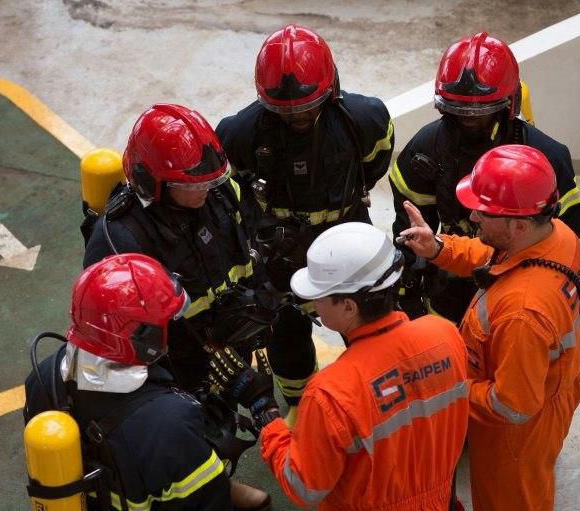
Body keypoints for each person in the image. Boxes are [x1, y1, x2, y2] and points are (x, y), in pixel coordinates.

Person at [81, 105, 273, 509]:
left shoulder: (220, 193)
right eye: (192, 184)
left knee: (221, 412)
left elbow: (248, 247)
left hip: (222, 338)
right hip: (165, 356)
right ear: (154, 183)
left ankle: (219, 478)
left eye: (210, 179)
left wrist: (258, 303)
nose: (206, 189)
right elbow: (124, 325)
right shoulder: (119, 237)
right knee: (188, 427)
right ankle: (211, 488)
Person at [210, 222, 469, 510]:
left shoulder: (331, 393)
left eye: (319, 294)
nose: (313, 302)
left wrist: (267, 414)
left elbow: (303, 485)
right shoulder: (444, 334)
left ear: (349, 306)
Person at [399, 145, 580, 510]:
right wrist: (439, 247)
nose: (472, 216)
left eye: (483, 212)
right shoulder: (554, 235)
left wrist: (448, 387)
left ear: (517, 224)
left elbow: (513, 404)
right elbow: (495, 256)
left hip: (514, 439)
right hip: (554, 390)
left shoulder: (523, 312)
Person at [216, 24, 395, 407]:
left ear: (330, 89)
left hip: (346, 238)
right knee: (287, 332)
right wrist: (266, 236)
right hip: (277, 252)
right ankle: (300, 404)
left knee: (368, 324)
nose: (297, 115)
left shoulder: (365, 121)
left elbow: (374, 166)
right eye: (285, 110)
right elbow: (231, 196)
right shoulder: (239, 135)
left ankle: (377, 399)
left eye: (306, 106)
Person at [389, 31, 580, 323]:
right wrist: (408, 290)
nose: (467, 118)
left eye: (480, 111)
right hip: (449, 280)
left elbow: (560, 236)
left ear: (509, 103)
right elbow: (412, 228)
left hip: (517, 279)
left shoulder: (547, 158)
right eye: (458, 109)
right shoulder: (426, 150)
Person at [24, 254, 239, 510]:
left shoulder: (43, 377)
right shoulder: (170, 423)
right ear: (141, 338)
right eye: (163, 324)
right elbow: (209, 503)